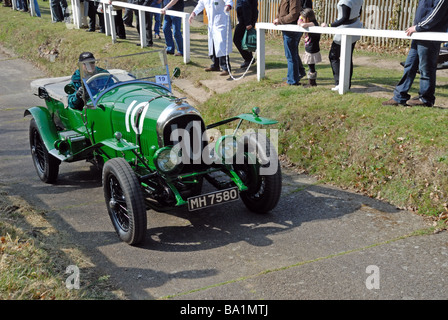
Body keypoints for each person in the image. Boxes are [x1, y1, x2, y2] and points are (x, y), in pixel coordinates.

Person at [383, 0, 448, 107]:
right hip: (419, 35)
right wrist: (417, 28)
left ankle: (426, 99)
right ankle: (399, 97)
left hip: (429, 36)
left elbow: (436, 13)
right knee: (409, 66)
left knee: (426, 68)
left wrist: (418, 27)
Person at [321, 0, 363, 91]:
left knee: (333, 56)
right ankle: (346, 84)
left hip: (344, 30)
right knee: (348, 57)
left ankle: (339, 83)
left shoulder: (346, 1)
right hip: (355, 28)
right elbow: (359, 13)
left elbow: (344, 18)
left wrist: (329, 25)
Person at [189, 0, 233, 76]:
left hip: (221, 22)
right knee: (212, 44)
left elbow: (229, 1)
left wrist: (228, 6)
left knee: (221, 44)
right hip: (211, 24)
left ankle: (225, 68)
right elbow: (200, 4)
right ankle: (215, 65)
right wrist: (193, 13)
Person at [298, 8, 321, 87]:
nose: (302, 20)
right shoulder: (310, 22)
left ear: (307, 18)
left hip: (312, 48)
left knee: (311, 66)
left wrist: (301, 23)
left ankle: (312, 83)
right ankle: (311, 82)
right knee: (310, 65)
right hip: (309, 47)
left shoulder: (313, 24)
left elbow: (303, 25)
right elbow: (300, 22)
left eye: (303, 18)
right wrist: (301, 19)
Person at [233, 0, 258, 69]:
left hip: (244, 20)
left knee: (237, 39)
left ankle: (249, 59)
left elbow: (246, 6)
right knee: (243, 39)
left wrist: (248, 22)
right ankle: (249, 58)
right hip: (246, 19)